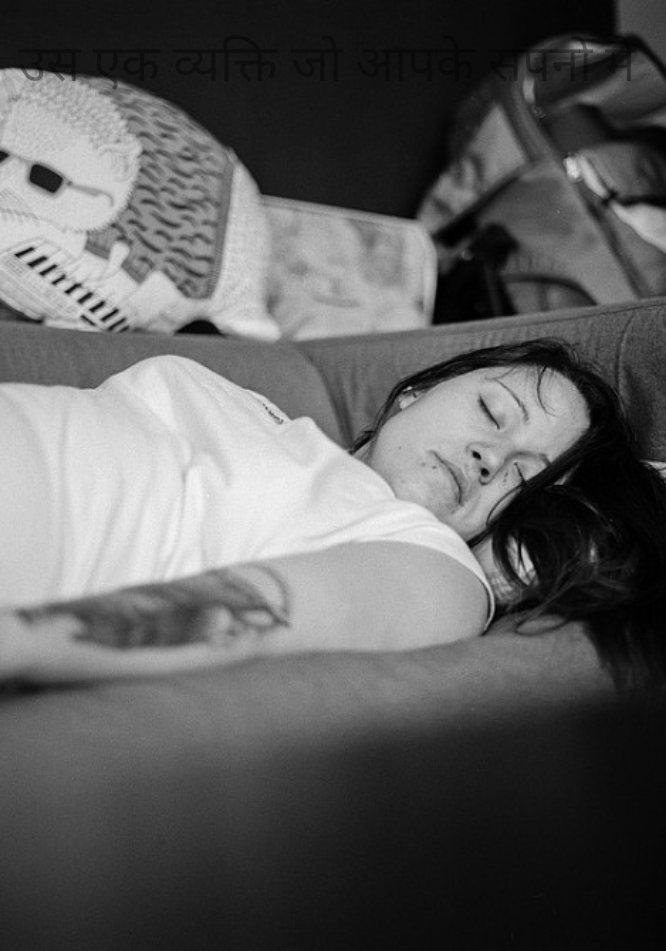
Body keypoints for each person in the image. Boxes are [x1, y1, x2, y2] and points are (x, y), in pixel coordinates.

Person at [0, 339, 664, 690]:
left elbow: (244, 615)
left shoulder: (434, 565)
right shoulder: (247, 407)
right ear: (415, 391)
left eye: (523, 477)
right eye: (492, 412)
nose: (491, 458)